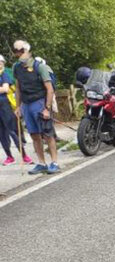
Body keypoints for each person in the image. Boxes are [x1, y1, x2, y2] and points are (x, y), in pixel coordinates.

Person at [11, 40, 58, 174]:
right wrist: (18, 106)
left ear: (27, 51)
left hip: (39, 102)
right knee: (34, 135)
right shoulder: (16, 67)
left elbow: (49, 89)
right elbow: (18, 88)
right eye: (15, 51)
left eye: (20, 51)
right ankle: (41, 163)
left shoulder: (39, 67)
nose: (17, 54)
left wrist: (47, 108)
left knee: (47, 134)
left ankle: (54, 162)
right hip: (26, 105)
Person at [0, 54, 31, 166]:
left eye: (0, 62)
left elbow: (5, 89)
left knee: (12, 131)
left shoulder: (4, 74)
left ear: (2, 63)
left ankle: (24, 155)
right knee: (2, 134)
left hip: (5, 106)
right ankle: (9, 156)